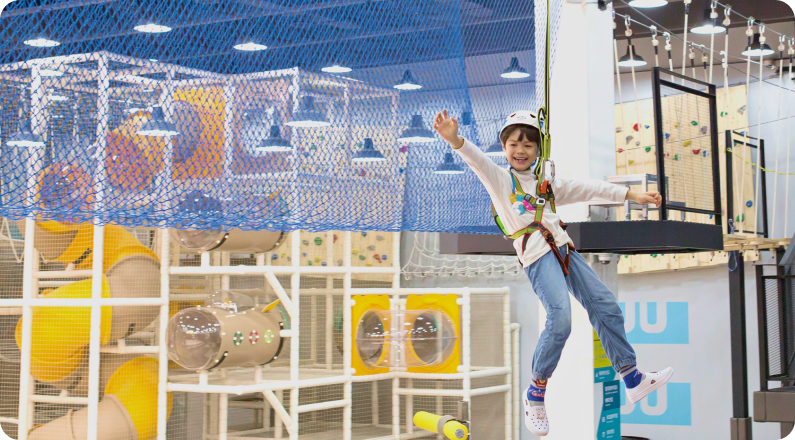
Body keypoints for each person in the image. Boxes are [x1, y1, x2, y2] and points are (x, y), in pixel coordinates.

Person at [432, 109, 674, 436]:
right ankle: (535, 392)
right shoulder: (501, 181)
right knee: (560, 319)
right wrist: (455, 140)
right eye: (514, 144)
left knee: (606, 306)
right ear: (504, 147)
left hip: (563, 249)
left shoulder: (546, 185)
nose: (521, 150)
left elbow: (587, 188)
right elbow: (476, 160)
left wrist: (632, 195)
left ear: (538, 150)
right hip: (537, 255)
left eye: (528, 145)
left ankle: (632, 378)